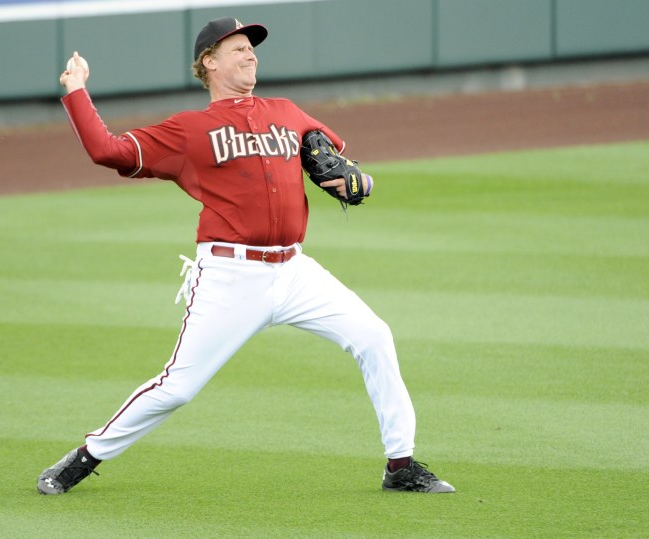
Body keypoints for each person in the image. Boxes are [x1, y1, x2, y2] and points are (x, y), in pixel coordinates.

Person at [37, 16, 454, 495]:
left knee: (374, 337)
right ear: (208, 63)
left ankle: (400, 466)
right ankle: (83, 459)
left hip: (295, 271)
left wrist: (361, 181)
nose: (250, 54)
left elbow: (339, 163)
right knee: (178, 388)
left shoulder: (287, 112)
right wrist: (76, 91)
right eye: (237, 48)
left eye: (251, 47)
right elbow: (106, 150)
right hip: (230, 276)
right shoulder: (189, 131)